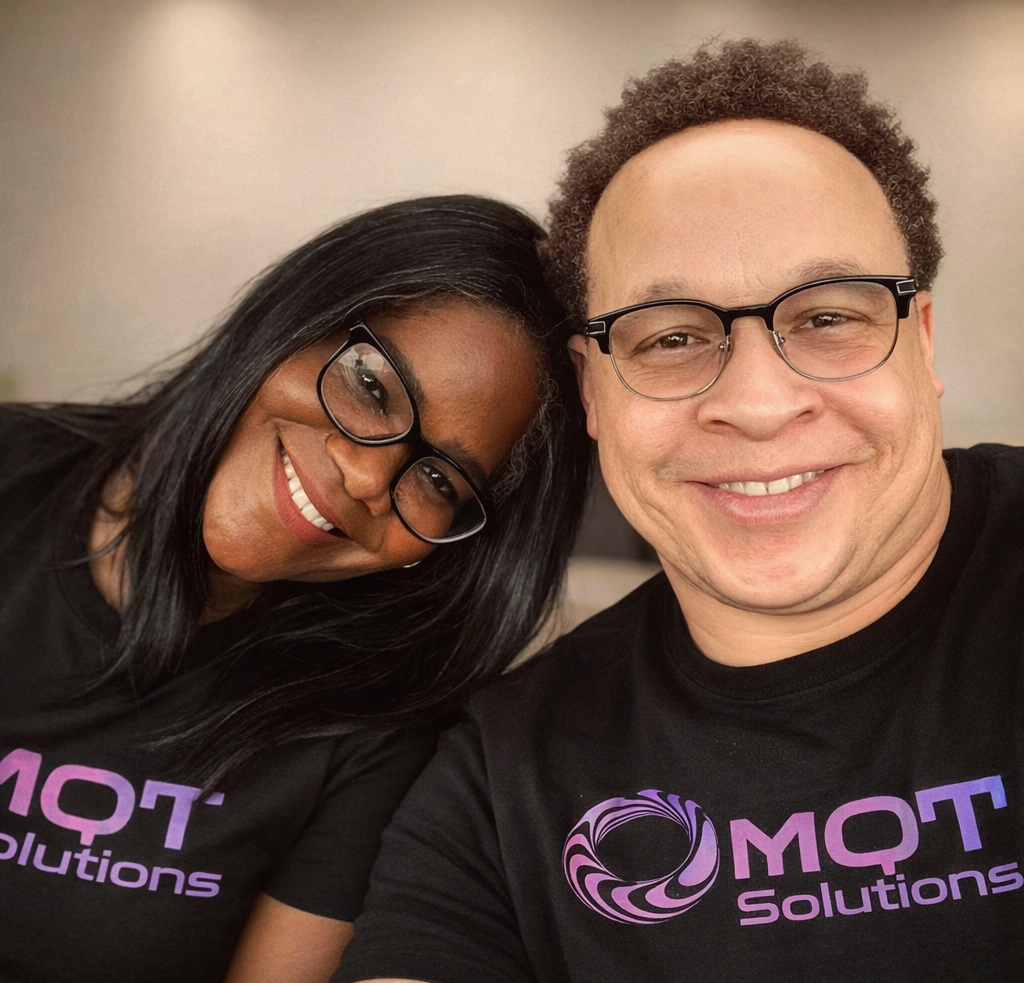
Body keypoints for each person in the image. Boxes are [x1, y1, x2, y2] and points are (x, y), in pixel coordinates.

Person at [335, 40, 1023, 983]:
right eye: (670, 337)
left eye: (828, 317)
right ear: (591, 388)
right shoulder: (503, 781)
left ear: (922, 340)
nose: (759, 403)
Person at [0, 194, 590, 983]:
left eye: (439, 481)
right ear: (290, 324)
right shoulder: (12, 470)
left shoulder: (369, 730)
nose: (368, 476)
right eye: (371, 386)